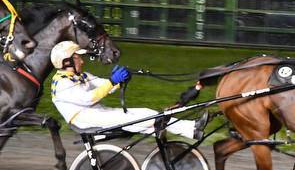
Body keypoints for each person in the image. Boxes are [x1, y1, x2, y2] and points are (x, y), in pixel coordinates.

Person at [49, 41, 208, 138]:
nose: (82, 61)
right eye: (77, 57)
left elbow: (105, 85)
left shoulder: (80, 75)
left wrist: (119, 79)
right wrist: (112, 81)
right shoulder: (63, 83)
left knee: (146, 116)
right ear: (67, 62)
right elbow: (89, 98)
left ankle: (190, 129)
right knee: (146, 116)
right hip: (85, 119)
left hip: (94, 113)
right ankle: (190, 128)